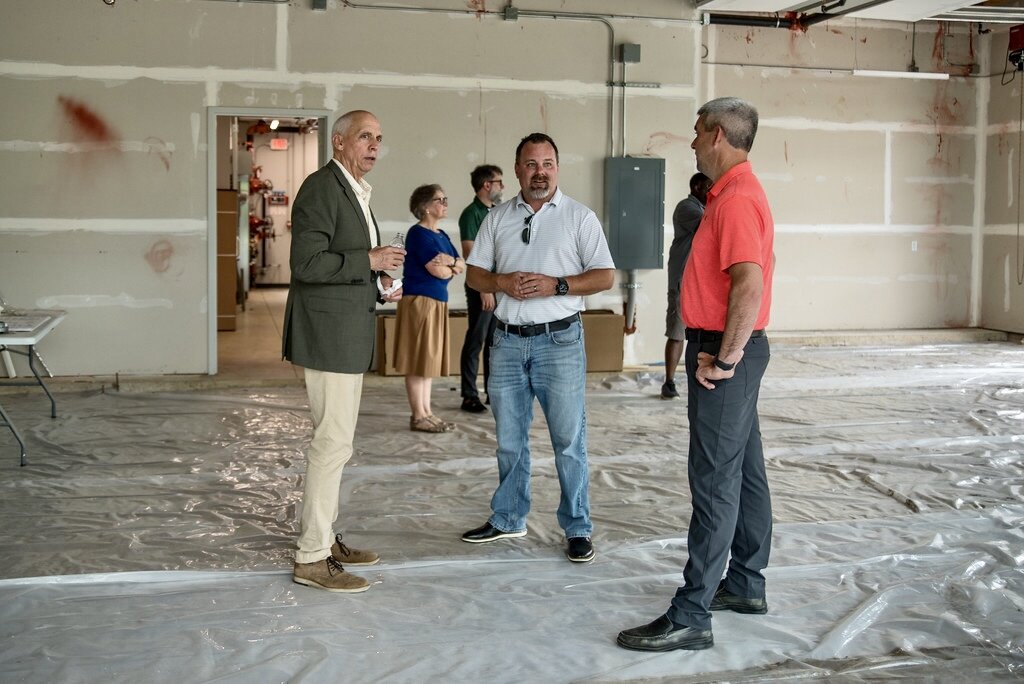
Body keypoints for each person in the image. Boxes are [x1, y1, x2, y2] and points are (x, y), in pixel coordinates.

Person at [617, 97, 775, 651]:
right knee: (745, 471)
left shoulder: (733, 199)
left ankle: (692, 615)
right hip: (734, 351)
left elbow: (747, 285)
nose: (690, 143)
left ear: (716, 135)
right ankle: (746, 584)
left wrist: (724, 360)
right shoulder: (735, 193)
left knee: (714, 481)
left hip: (725, 354)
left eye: (694, 133)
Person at [460, 132, 615, 563]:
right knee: (509, 440)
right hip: (507, 342)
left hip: (560, 341)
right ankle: (508, 517)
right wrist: (501, 282)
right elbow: (474, 276)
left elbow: (604, 276)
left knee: (569, 440)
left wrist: (557, 285)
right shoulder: (497, 219)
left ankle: (578, 526)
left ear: (557, 168)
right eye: (531, 164)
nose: (540, 172)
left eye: (547, 163)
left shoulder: (579, 218)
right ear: (517, 170)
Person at [282, 110, 405, 593]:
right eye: (364, 136)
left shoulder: (353, 189)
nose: (374, 145)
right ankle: (311, 556)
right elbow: (306, 263)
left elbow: (343, 264)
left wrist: (378, 282)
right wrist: (369, 260)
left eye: (379, 137)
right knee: (330, 445)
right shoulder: (320, 187)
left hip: (347, 332)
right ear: (338, 141)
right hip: (328, 337)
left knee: (338, 444)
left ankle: (325, 539)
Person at [394, 184, 465, 432]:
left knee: (427, 360)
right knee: (418, 360)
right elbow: (436, 269)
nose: (445, 203)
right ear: (425, 207)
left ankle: (427, 412)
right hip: (420, 302)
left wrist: (451, 263)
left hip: (437, 301)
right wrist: (449, 266)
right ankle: (418, 415)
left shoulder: (442, 235)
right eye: (439, 199)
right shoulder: (418, 234)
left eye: (445, 198)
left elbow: (460, 265)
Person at [457, 164, 504, 413]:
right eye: (499, 182)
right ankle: (469, 394)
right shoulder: (471, 214)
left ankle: (492, 392)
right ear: (487, 185)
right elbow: (470, 253)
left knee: (494, 341)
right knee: (476, 338)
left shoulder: (496, 211)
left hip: (497, 284)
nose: (503, 187)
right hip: (481, 286)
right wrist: (485, 289)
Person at [662, 172, 712, 400]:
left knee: (696, 334)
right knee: (677, 332)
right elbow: (710, 226)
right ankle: (669, 382)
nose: (711, 191)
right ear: (696, 187)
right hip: (682, 282)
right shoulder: (687, 208)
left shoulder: (703, 209)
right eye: (708, 187)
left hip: (698, 283)